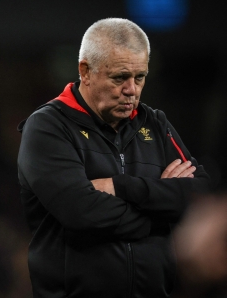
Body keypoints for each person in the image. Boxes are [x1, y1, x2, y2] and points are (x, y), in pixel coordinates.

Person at [17, 18, 211, 298]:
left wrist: (121, 187)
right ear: (85, 71)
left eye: (140, 77)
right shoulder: (48, 127)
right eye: (119, 77)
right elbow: (82, 212)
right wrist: (159, 215)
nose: (131, 89)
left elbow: (198, 200)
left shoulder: (154, 124)